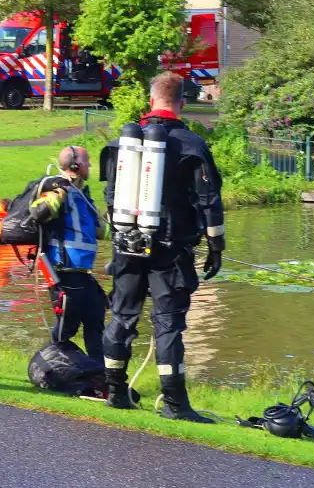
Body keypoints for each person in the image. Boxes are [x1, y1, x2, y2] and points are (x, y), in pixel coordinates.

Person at [100, 71, 225, 423]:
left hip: (126, 245)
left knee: (122, 317)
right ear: (182, 102)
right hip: (170, 251)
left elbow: (110, 199)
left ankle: (114, 392)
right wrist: (216, 245)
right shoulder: (191, 145)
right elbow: (209, 202)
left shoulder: (120, 146)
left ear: (150, 99)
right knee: (168, 324)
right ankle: (174, 404)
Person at [26, 146, 106, 362]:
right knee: (66, 327)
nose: (90, 166)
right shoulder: (57, 189)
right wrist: (57, 194)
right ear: (75, 165)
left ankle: (101, 373)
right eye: (87, 161)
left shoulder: (83, 195)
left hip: (83, 273)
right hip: (64, 271)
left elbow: (100, 231)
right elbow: (37, 213)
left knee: (96, 319)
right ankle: (52, 368)